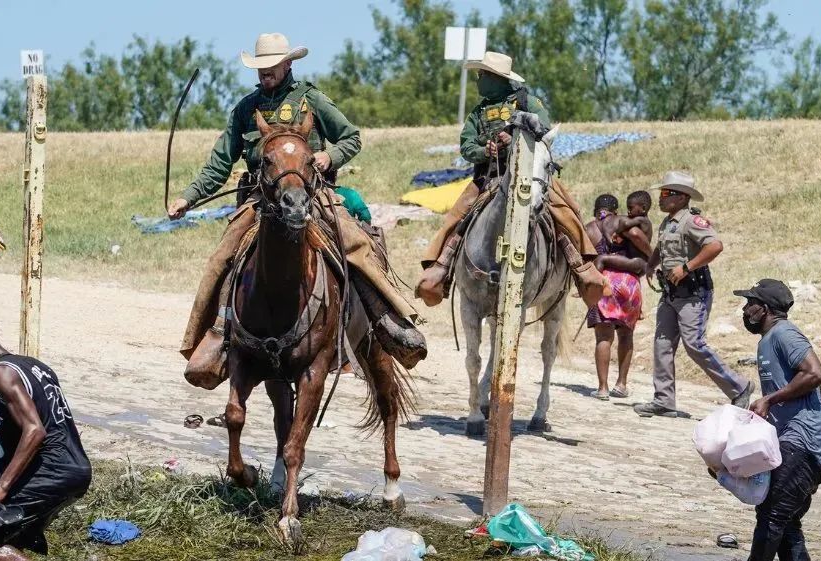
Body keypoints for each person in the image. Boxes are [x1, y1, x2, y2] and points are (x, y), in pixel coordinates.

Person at [168, 33, 425, 381]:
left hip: (312, 196)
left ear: (288, 64)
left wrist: (327, 155)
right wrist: (188, 197)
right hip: (261, 203)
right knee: (221, 257)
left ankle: (390, 320)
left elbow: (352, 137)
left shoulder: (311, 99)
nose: (264, 73)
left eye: (270, 66)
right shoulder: (246, 109)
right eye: (259, 68)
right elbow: (219, 165)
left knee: (357, 245)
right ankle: (212, 338)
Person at [414, 51, 607, 309]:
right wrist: (485, 151)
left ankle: (582, 268)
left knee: (566, 211)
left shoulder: (527, 100)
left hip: (531, 172)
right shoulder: (477, 112)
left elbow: (545, 129)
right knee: (456, 215)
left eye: (482, 75)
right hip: (489, 176)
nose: (478, 80)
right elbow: (466, 145)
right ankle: (441, 267)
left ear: (496, 78)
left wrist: (515, 133)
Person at [0, 308, 92, 561]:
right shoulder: (34, 366)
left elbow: (35, 429)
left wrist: (2, 485)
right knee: (8, 541)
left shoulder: (0, 373)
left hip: (51, 472)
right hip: (74, 469)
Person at [732, 279, 821, 561]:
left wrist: (770, 399)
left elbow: (815, 373)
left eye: (749, 304)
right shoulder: (767, 340)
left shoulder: (784, 333)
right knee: (785, 521)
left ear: (764, 309)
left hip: (807, 438)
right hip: (792, 439)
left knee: (772, 515)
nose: (744, 310)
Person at [633, 171, 754, 417]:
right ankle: (664, 400)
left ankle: (739, 387)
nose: (661, 198)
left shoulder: (692, 221)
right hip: (671, 293)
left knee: (694, 345)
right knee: (662, 344)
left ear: (681, 197)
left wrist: (687, 267)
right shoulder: (668, 222)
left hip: (693, 293)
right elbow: (661, 246)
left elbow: (715, 245)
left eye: (666, 194)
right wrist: (650, 264)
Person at [584, 194, 652, 400]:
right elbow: (635, 235)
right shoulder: (622, 222)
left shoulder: (589, 228)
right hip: (629, 282)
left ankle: (602, 388)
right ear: (616, 209)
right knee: (626, 335)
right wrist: (652, 257)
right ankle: (621, 384)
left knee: (603, 336)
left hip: (602, 281)